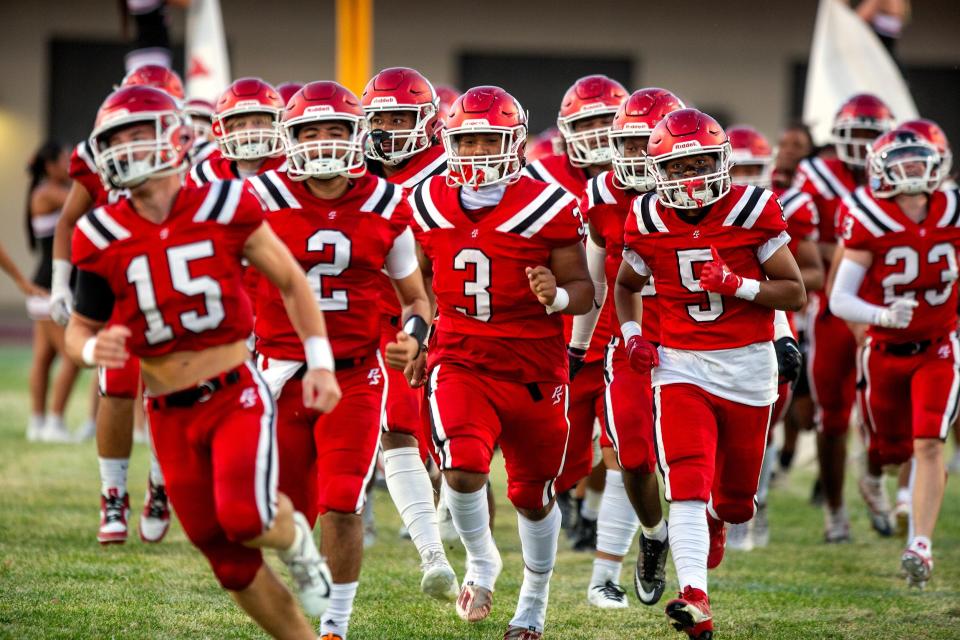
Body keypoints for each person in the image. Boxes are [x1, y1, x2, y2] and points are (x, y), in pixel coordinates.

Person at [65, 84, 338, 639]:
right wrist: (93, 350)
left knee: (245, 518)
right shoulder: (97, 233)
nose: (128, 147)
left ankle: (294, 539)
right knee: (230, 565)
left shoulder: (225, 204)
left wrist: (321, 362)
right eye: (116, 138)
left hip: (233, 391)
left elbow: (290, 280)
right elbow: (79, 327)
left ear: (175, 136)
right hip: (166, 411)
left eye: (139, 133)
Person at [251, 80, 455, 639]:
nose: (322, 142)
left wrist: (413, 335)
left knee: (343, 501)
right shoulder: (260, 198)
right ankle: (303, 565)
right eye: (309, 131)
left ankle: (335, 626)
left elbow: (416, 298)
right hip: (278, 374)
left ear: (358, 135)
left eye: (336, 129)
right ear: (289, 139)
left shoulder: (386, 203)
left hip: (355, 374)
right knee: (273, 513)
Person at [407, 85, 593, 640]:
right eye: (467, 139)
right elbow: (416, 283)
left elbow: (584, 289)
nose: (479, 150)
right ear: (448, 141)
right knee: (462, 468)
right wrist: (418, 336)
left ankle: (533, 602)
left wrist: (555, 297)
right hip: (460, 358)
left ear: (514, 143)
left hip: (535, 369)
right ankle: (483, 563)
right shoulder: (425, 200)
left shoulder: (549, 205)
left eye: (491, 138)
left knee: (532, 497)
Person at [615, 108, 805, 639]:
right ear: (658, 172)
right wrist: (633, 336)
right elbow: (627, 286)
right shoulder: (648, 218)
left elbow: (794, 291)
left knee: (737, 502)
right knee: (687, 479)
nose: (692, 175)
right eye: (678, 166)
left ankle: (722, 523)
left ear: (722, 161)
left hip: (748, 364)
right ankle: (695, 595)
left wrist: (736, 284)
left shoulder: (752, 208)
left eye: (701, 161)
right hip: (680, 365)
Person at [49, 64, 188, 545]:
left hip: (177, 279)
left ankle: (160, 483)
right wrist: (61, 284)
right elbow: (71, 219)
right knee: (117, 380)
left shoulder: (196, 157)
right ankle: (113, 494)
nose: (134, 135)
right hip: (119, 272)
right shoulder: (95, 159)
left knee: (174, 389)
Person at [831, 125, 957, 589]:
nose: (912, 170)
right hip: (883, 350)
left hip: (940, 346)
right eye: (901, 161)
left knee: (929, 443)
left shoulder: (954, 208)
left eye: (919, 160)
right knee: (888, 449)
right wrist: (882, 315)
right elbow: (839, 299)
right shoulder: (868, 215)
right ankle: (874, 474)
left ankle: (919, 544)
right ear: (881, 171)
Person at [571, 87, 683, 609]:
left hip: (698, 341)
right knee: (626, 454)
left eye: (647, 142)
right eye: (629, 142)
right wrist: (576, 347)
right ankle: (640, 547)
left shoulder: (703, 191)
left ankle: (711, 529)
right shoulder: (600, 195)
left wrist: (778, 337)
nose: (636, 155)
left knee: (696, 467)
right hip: (630, 341)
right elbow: (595, 285)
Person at [360, 66, 461, 560]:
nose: (389, 130)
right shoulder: (360, 170)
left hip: (450, 318)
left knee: (456, 440)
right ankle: (428, 543)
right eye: (381, 118)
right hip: (384, 318)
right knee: (395, 426)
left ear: (427, 121)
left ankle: (462, 522)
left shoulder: (452, 169)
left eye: (402, 118)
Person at [523, 74, 628, 550]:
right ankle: (574, 499)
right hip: (566, 318)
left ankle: (593, 519)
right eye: (589, 122)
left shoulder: (649, 172)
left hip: (629, 318)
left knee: (621, 439)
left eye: (609, 120)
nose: (601, 132)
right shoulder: (538, 175)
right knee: (566, 445)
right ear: (565, 128)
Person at [794, 93, 895, 541]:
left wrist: (855, 252)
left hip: (887, 306)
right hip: (834, 307)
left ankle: (876, 477)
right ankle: (835, 512)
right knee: (832, 415)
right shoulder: (814, 174)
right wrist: (864, 252)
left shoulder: (899, 173)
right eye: (858, 135)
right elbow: (807, 248)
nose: (865, 144)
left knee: (892, 413)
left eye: (874, 135)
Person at [724, 125, 818, 552]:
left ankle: (751, 508)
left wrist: (767, 275)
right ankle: (721, 509)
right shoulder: (698, 209)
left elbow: (810, 274)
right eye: (736, 166)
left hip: (772, 317)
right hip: (716, 324)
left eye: (752, 167)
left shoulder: (785, 205)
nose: (743, 176)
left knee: (764, 418)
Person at [24, 141, 82, 442]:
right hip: (48, 288)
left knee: (44, 359)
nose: (69, 165)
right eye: (64, 159)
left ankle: (37, 423)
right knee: (73, 356)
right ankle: (54, 422)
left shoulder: (43, 190)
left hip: (43, 286)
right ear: (49, 166)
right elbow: (84, 197)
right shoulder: (48, 192)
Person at [187, 77, 288, 187]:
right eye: (240, 124)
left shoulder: (290, 171)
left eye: (259, 122)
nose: (249, 131)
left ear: (278, 125)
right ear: (224, 130)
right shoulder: (203, 175)